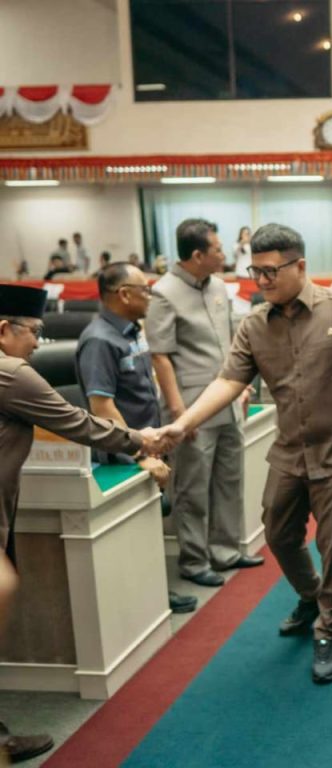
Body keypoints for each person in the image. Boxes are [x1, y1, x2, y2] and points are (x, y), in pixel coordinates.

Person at [158, 223, 332, 685]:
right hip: (289, 451)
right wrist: (183, 423)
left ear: (299, 266)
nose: (261, 281)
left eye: (270, 271)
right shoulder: (254, 325)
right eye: (255, 272)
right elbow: (229, 381)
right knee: (279, 534)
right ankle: (311, 595)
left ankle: (328, 630)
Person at [0, 285, 167, 765]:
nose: (38, 343)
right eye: (34, 332)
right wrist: (140, 441)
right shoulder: (11, 372)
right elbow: (78, 422)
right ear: (4, 330)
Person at [74, 262, 198, 615]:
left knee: (149, 524)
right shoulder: (99, 340)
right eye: (145, 290)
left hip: (146, 445)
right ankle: (148, 600)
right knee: (134, 531)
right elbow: (102, 406)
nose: (151, 296)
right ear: (124, 294)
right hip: (123, 455)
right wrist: (139, 454)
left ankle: (154, 592)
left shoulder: (131, 332)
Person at [147, 218, 263, 590]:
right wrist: (180, 414)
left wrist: (241, 386)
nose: (223, 254)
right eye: (217, 249)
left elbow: (230, 340)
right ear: (197, 255)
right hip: (192, 406)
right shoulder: (163, 293)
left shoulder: (218, 286)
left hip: (227, 401)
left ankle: (225, 551)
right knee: (192, 487)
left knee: (229, 479)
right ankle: (194, 560)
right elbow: (160, 356)